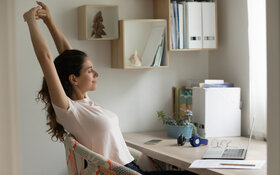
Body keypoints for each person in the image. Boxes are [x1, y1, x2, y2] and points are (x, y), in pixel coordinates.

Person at [23, 2, 195, 175]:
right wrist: (31, 21)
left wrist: (49, 22)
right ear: (74, 79)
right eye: (90, 71)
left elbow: (69, 56)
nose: (96, 74)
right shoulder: (70, 110)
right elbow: (45, 58)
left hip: (131, 168)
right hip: (121, 172)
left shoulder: (84, 101)